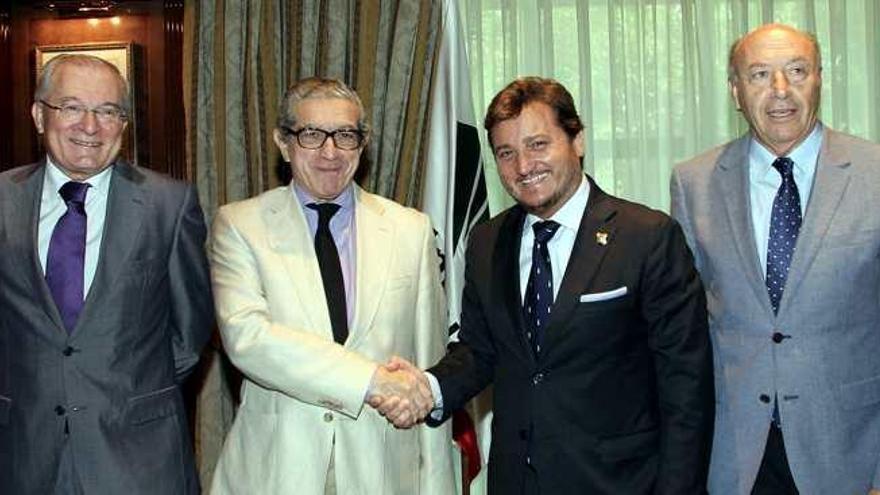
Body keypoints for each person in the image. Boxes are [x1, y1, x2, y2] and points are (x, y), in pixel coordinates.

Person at [379, 76, 715, 494]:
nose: (523, 166)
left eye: (538, 145)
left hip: (619, 484)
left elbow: (687, 389)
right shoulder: (487, 243)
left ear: (578, 141)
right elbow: (479, 351)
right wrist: (427, 388)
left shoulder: (647, 236)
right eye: (506, 153)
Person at [208, 77, 455, 494]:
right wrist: (373, 380)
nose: (330, 152)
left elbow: (426, 368)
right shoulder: (239, 225)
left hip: (383, 473)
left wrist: (438, 484)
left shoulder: (410, 230)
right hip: (278, 472)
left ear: (363, 143)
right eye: (311, 135)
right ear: (283, 143)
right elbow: (248, 339)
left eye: (345, 135)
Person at [671, 23, 880, 495]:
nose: (780, 90)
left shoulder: (874, 174)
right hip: (737, 459)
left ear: (820, 79)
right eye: (760, 74)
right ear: (735, 91)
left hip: (849, 453)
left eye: (797, 71)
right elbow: (685, 334)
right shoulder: (694, 182)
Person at [0, 54, 214, 494]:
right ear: (40, 115)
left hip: (138, 456)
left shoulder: (169, 206)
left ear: (123, 124)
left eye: (108, 111)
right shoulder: (2, 199)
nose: (90, 126)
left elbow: (190, 333)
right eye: (72, 107)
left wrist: (124, 392)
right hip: (23, 452)